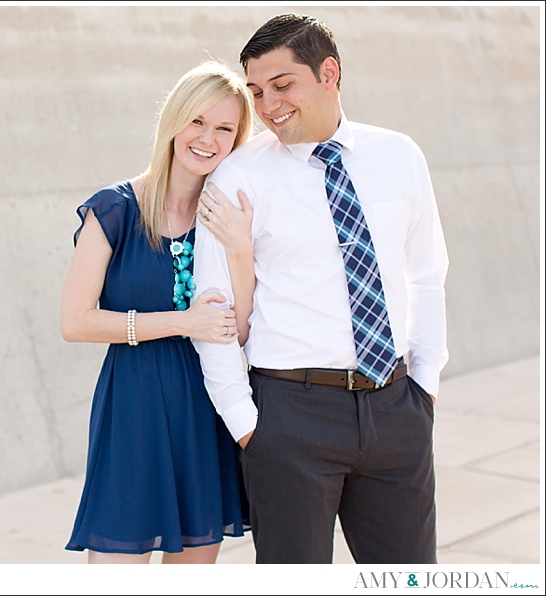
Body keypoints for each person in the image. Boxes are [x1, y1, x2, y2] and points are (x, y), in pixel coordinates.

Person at [191, 14, 449, 564]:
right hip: (290, 418)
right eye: (256, 92)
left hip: (396, 408)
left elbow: (426, 274)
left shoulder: (399, 155)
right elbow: (213, 311)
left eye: (282, 85)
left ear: (328, 73)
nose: (268, 106)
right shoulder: (237, 177)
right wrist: (246, 424)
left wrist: (424, 386)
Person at [60, 60, 256, 564]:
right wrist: (182, 322)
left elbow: (241, 331)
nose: (207, 139)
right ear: (173, 120)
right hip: (134, 406)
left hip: (205, 406)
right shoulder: (115, 209)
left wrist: (240, 248)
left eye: (224, 128)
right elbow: (75, 322)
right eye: (197, 121)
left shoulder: (228, 216)